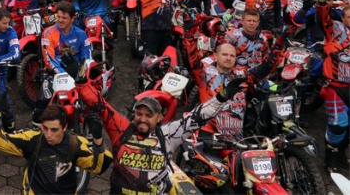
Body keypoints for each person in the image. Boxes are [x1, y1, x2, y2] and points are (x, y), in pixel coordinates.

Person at [62, 53, 245, 195]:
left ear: (159, 117)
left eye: (148, 115)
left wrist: (221, 97)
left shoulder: (168, 133)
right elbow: (100, 105)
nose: (142, 118)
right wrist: (81, 82)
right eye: (139, 114)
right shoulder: (122, 129)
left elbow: (198, 116)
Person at [0, 103, 111, 195]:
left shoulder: (75, 143)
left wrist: (98, 140)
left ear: (64, 127)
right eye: (45, 128)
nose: (48, 135)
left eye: (54, 130)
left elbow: (97, 167)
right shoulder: (32, 139)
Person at [33, 2, 92, 124]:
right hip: (55, 72)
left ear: (72, 19)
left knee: (91, 100)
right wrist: (63, 74)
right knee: (43, 100)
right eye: (58, 17)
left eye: (64, 18)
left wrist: (80, 72)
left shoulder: (81, 34)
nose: (60, 20)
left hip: (77, 71)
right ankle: (37, 125)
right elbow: (49, 59)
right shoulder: (48, 33)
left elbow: (86, 56)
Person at [316, 0, 350, 171]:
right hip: (334, 85)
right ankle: (329, 160)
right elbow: (322, 17)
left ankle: (340, 154)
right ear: (343, 18)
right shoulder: (335, 29)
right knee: (338, 125)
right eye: (349, 16)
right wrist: (322, 3)